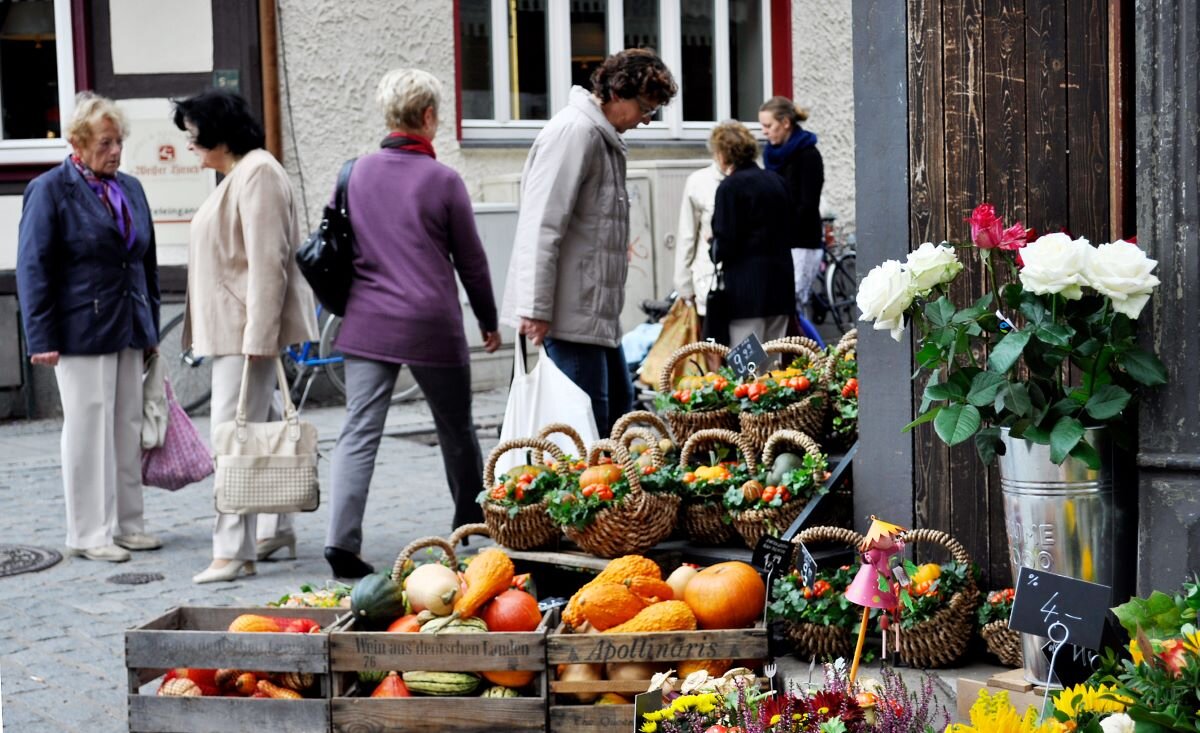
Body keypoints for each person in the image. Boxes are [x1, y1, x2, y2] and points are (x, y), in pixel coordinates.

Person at [324, 69, 501, 579]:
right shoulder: (443, 180)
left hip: (367, 321)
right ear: (427, 117)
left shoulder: (352, 173)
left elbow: (339, 245)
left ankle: (341, 540)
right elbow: (471, 261)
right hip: (430, 323)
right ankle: (469, 523)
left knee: (359, 428)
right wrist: (488, 320)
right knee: (456, 427)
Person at [173, 90, 318, 584]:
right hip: (237, 328)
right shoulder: (244, 174)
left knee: (233, 438)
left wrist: (260, 334)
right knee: (261, 427)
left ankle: (233, 550)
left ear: (220, 132)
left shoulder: (257, 174)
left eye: (194, 132)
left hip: (244, 333)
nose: (190, 142)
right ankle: (276, 527)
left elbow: (267, 260)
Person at [16, 92, 161, 563]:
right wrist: (41, 337)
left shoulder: (131, 189)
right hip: (79, 326)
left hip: (128, 322)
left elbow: (147, 264)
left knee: (127, 424)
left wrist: (151, 326)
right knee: (87, 426)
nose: (115, 151)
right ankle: (87, 532)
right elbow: (33, 266)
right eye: (105, 142)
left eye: (119, 141)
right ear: (78, 143)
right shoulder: (50, 189)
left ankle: (128, 524)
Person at [501, 48, 677, 436]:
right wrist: (534, 308)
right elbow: (541, 225)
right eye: (646, 108)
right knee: (587, 426)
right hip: (568, 315)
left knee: (617, 410)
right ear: (617, 93)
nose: (647, 121)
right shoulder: (575, 133)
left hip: (594, 315)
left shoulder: (604, 137)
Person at [708, 121, 798, 346]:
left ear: (723, 154)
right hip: (781, 285)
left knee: (747, 369)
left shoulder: (730, 187)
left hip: (745, 293)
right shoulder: (777, 181)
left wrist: (713, 245)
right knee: (774, 365)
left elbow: (726, 243)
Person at [758, 97, 825, 317]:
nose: (764, 132)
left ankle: (799, 350)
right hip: (777, 242)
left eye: (768, 126)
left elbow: (807, 205)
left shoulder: (808, 155)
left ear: (785, 122)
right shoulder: (771, 155)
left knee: (792, 306)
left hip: (801, 242)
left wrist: (779, 229)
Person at [673, 152, 724, 322]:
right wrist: (684, 285)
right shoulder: (699, 181)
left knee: (741, 345)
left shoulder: (753, 180)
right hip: (708, 279)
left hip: (740, 284)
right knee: (711, 342)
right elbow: (687, 235)